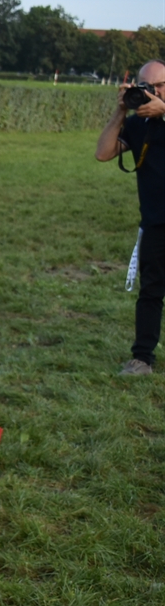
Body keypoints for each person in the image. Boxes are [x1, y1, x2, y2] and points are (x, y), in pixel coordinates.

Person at [96, 59, 165, 375]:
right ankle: (142, 358)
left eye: (159, 86)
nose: (153, 92)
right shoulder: (139, 124)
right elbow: (103, 153)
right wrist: (121, 112)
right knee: (150, 291)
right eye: (147, 86)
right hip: (155, 221)